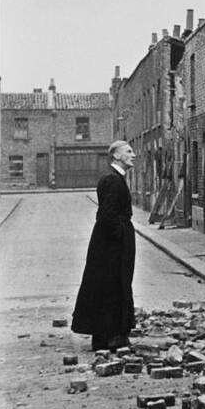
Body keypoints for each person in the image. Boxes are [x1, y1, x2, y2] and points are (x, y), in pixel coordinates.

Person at [72, 140, 137, 351]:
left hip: (110, 242)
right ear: (116, 156)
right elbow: (107, 214)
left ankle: (106, 335)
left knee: (110, 285)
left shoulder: (115, 178)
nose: (133, 154)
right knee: (111, 284)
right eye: (128, 151)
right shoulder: (112, 180)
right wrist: (120, 237)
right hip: (111, 245)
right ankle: (112, 336)